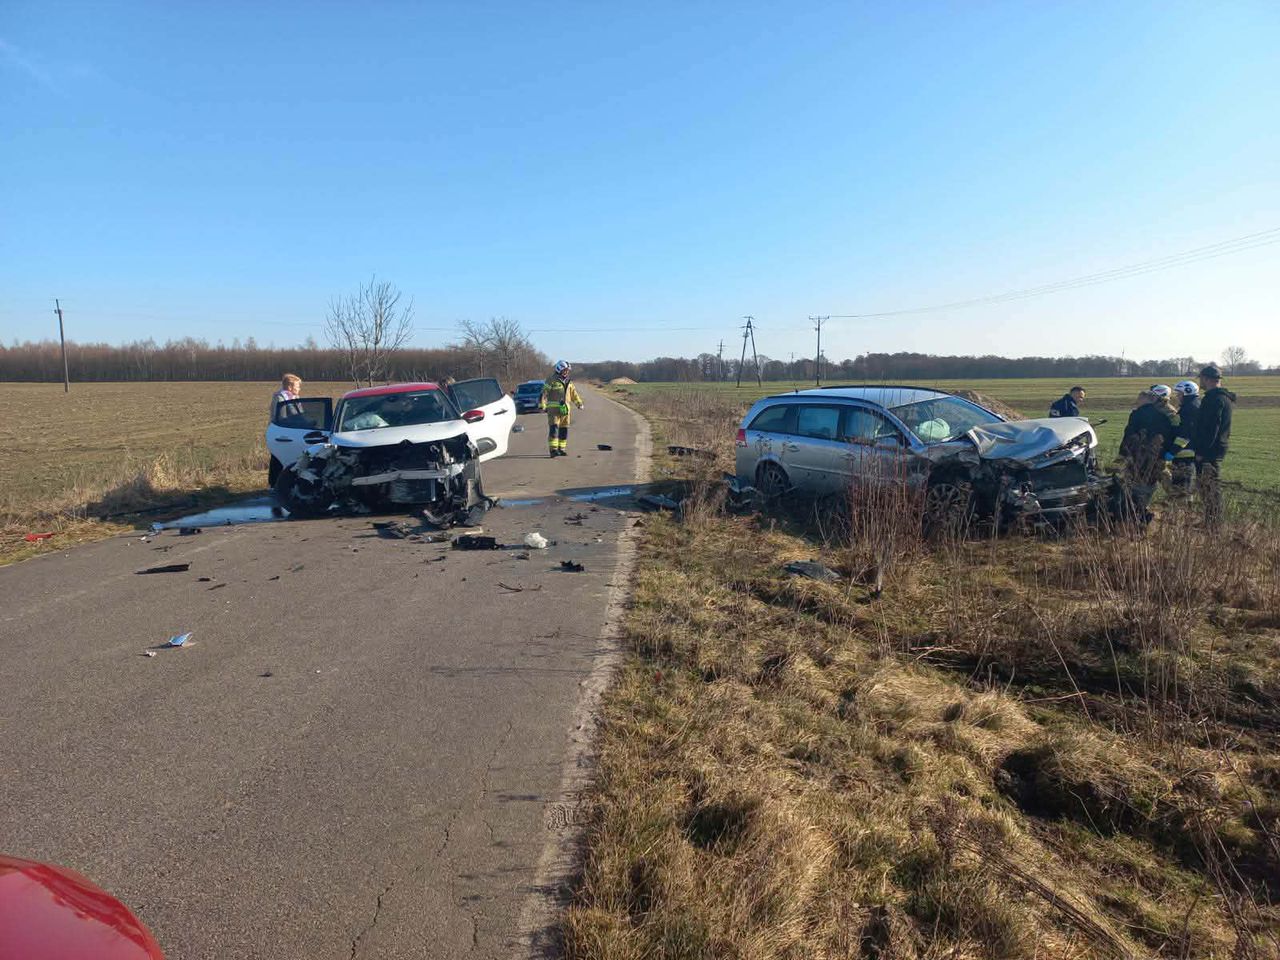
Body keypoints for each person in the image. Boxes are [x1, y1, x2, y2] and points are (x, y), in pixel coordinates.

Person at [1117, 384, 1179, 520]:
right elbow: (1170, 434)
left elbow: (1129, 435)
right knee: (1150, 480)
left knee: (1142, 482)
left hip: (1143, 455)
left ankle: (1138, 511)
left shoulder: (1163, 413)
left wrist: (1123, 453)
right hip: (1158, 453)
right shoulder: (1165, 413)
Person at [1189, 364, 1237, 527]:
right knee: (1208, 487)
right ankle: (1210, 521)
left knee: (1210, 488)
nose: (1200, 382)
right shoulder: (1223, 398)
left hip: (1209, 451)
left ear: (1207, 379)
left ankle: (1213, 525)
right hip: (1216, 448)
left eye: (1201, 379)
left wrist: (1201, 451)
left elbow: (1211, 429)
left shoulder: (1214, 399)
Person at [540, 360, 584, 457]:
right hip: (553, 411)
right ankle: (553, 450)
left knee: (564, 430)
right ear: (559, 369)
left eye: (567, 370)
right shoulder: (551, 380)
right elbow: (544, 393)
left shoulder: (569, 382)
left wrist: (579, 403)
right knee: (554, 429)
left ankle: (561, 449)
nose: (566, 372)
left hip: (565, 411)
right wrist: (542, 405)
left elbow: (574, 394)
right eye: (565, 370)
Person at [1168, 380, 1200, 498]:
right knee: (1186, 488)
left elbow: (1185, 434)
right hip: (1189, 453)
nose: (1177, 396)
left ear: (1187, 393)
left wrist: (1172, 452)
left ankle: (1182, 513)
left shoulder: (1189, 409)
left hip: (1185, 455)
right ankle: (1185, 512)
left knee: (1181, 488)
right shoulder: (1193, 405)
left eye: (1179, 393)